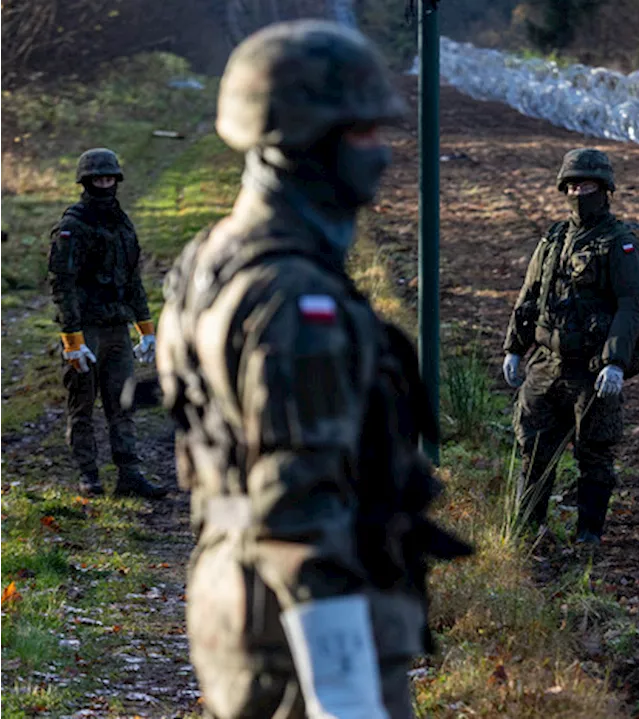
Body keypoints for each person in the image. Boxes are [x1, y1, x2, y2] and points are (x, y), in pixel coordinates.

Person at [155, 20, 468, 718]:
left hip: (238, 598)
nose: (383, 155)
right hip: (303, 629)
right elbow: (300, 510)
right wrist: (346, 693)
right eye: (361, 134)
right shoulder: (298, 300)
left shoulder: (211, 258)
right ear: (305, 142)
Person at [502, 148, 639, 545]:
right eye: (570, 185)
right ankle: (528, 531)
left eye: (585, 185)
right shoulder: (553, 240)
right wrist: (514, 347)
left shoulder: (619, 244)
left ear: (604, 189)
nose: (577, 192)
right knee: (533, 450)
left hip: (591, 370)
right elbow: (530, 294)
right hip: (546, 365)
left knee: (595, 454)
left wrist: (615, 361)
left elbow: (630, 306)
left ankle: (588, 536)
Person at [48, 148, 164, 498]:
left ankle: (129, 475)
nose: (104, 183)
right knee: (82, 405)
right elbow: (62, 285)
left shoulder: (122, 223)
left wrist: (146, 331)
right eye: (98, 178)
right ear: (86, 181)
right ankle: (89, 476)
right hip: (86, 331)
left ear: (116, 179)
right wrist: (73, 340)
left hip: (116, 328)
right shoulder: (72, 227)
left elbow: (132, 281)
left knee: (122, 404)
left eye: (109, 177)